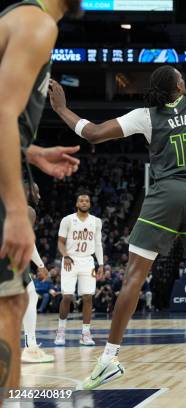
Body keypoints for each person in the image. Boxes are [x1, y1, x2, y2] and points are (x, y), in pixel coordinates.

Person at [48, 11, 186, 394]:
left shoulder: (146, 116)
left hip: (165, 195)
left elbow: (93, 134)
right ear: (178, 85)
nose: (184, 76)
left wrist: (60, 109)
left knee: (134, 278)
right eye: (180, 75)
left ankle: (109, 359)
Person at [0, 0, 81, 398]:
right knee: (9, 305)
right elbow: (3, 114)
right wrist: (17, 212)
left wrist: (31, 152)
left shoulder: (18, 17)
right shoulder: (37, 24)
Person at [54, 192, 103, 347]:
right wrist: (65, 256)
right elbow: (60, 242)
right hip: (70, 260)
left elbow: (98, 244)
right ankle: (61, 331)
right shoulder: (67, 220)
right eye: (81, 200)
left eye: (87, 200)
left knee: (88, 297)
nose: (84, 202)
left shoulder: (96, 221)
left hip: (88, 261)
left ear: (90, 204)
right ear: (77, 204)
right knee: (67, 296)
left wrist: (100, 264)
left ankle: (85, 333)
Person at [22, 181, 55, 363]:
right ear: (26, 191)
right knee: (30, 297)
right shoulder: (27, 210)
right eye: (37, 192)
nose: (39, 196)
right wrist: (40, 265)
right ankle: (30, 348)